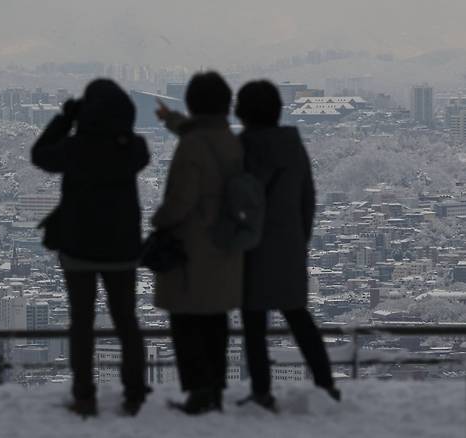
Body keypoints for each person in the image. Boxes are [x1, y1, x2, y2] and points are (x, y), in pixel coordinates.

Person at [31, 79, 150, 417]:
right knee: (127, 321)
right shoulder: (132, 148)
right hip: (123, 251)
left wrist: (65, 119)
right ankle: (135, 393)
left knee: (81, 323)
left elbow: (39, 155)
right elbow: (140, 153)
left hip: (79, 249)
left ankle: (84, 396)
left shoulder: (74, 149)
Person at [235, 80, 340, 412]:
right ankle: (325, 385)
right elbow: (308, 199)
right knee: (299, 318)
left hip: (250, 248)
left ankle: (262, 391)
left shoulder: (242, 148)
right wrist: (299, 239)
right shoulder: (293, 146)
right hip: (289, 246)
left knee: (254, 324)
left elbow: (232, 199)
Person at [152, 71, 243, 415]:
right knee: (216, 321)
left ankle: (198, 392)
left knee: (186, 322)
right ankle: (216, 389)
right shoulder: (230, 140)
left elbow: (180, 200)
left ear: (192, 103)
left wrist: (159, 220)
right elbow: (198, 134)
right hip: (223, 245)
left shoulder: (192, 146)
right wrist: (171, 120)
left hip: (192, 248)